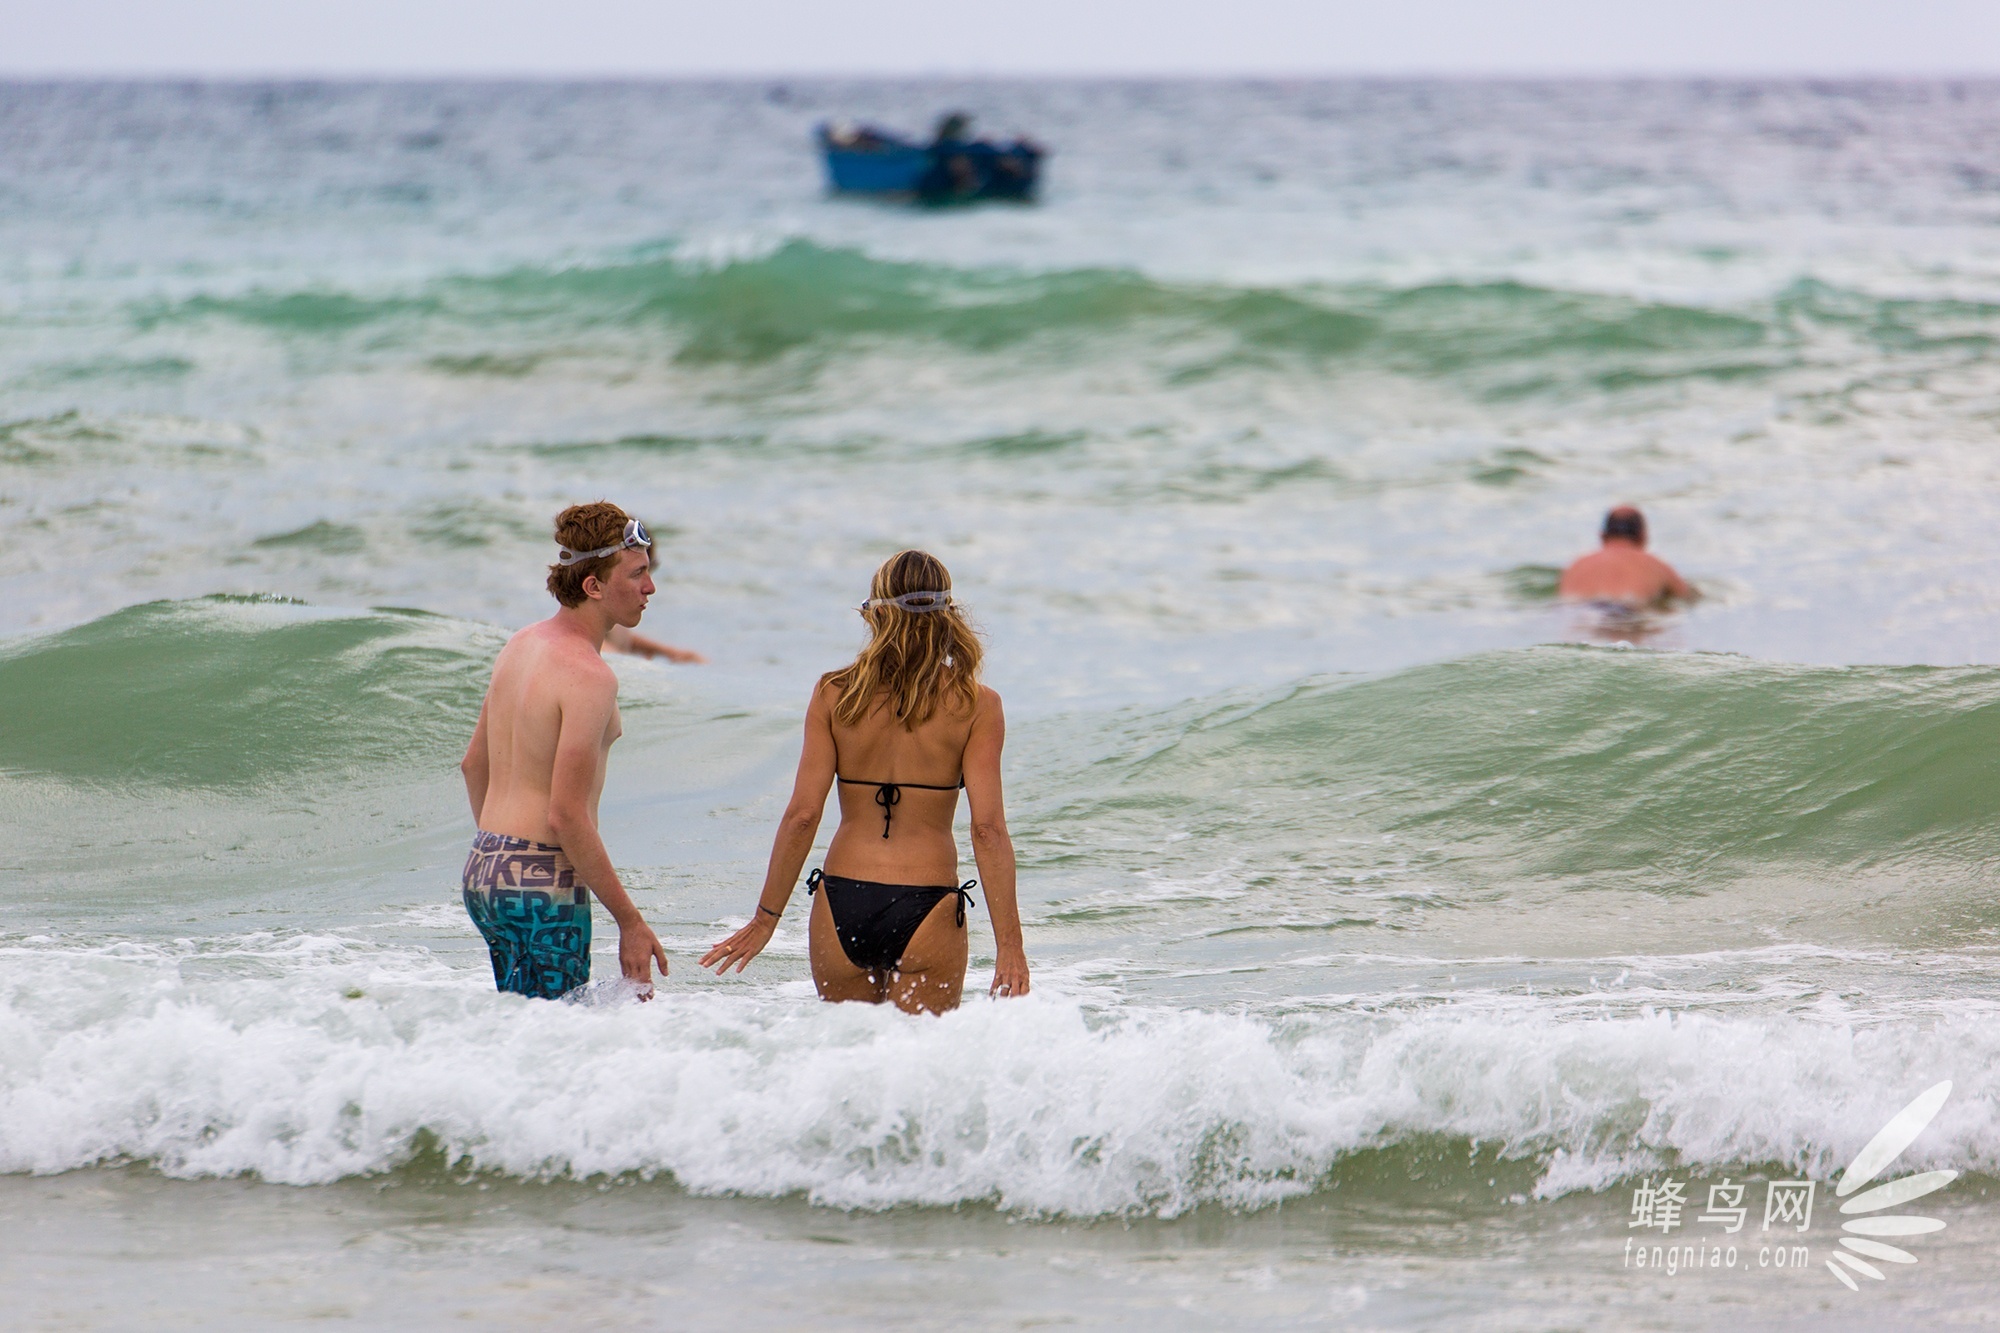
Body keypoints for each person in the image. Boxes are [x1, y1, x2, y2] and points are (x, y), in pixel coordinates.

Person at [699, 551, 1029, 1015]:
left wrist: (764, 919)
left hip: (841, 904)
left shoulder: (834, 693)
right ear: (948, 616)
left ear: (874, 612)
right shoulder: (977, 705)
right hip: (928, 908)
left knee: (846, 1058)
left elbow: (802, 816)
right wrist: (1010, 948)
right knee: (913, 1069)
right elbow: (988, 830)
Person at [457, 501, 671, 1000]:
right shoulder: (590, 676)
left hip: (486, 869)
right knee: (558, 1041)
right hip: (542, 882)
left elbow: (473, 766)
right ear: (593, 586)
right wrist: (631, 922)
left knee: (529, 1034)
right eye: (637, 574)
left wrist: (504, 853)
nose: (650, 588)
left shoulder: (520, 644)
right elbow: (566, 815)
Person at [603, 523, 706, 663]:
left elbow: (620, 638)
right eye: (638, 572)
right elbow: (600, 646)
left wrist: (668, 652)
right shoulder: (593, 644)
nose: (650, 588)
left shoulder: (610, 614)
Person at [1556, 505, 1696, 609]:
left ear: (1602, 536)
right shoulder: (1656, 565)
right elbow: (1686, 598)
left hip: (1579, 611)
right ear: (1643, 538)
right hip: (1625, 611)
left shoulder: (1575, 565)